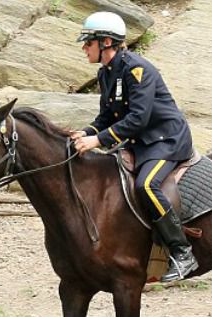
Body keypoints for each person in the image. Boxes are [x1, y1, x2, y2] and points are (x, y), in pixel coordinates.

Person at [70, 11, 198, 283]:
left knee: (146, 185)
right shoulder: (106, 73)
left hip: (165, 140)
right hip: (140, 142)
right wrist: (87, 132)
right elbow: (106, 117)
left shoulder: (138, 70)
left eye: (87, 43)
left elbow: (138, 118)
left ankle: (182, 251)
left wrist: (99, 140)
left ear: (105, 42)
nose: (84, 48)